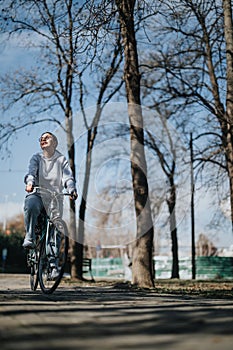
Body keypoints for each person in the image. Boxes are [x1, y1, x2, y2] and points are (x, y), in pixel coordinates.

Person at [23, 131, 78, 251]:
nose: (43, 139)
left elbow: (68, 177)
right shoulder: (36, 158)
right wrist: (30, 183)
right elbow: (31, 172)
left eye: (47, 137)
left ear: (54, 143)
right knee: (31, 204)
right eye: (41, 138)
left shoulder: (61, 160)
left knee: (56, 225)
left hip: (55, 196)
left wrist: (72, 189)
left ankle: (53, 260)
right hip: (38, 193)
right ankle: (30, 236)